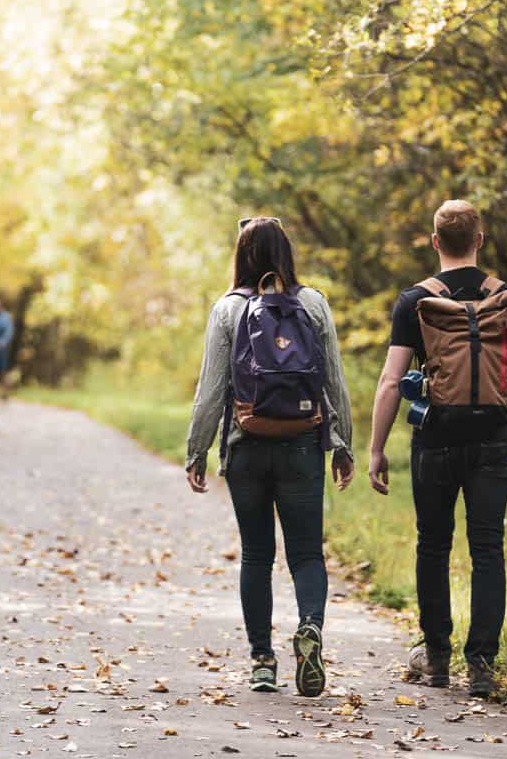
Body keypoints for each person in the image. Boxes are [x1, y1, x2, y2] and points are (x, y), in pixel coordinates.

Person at [368, 200, 507, 697]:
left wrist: (377, 449)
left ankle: (437, 658)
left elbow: (390, 381)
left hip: (435, 439)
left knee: (433, 545)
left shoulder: (415, 301)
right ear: (480, 240)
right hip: (490, 436)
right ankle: (482, 665)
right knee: (487, 549)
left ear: (435, 241)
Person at [185, 216, 354, 698]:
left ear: (242, 256)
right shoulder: (314, 303)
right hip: (303, 445)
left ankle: (262, 661)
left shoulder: (227, 309)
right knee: (306, 553)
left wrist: (197, 450)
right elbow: (334, 382)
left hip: (246, 447)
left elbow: (211, 389)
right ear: (287, 254)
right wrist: (341, 444)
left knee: (257, 555)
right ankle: (310, 628)